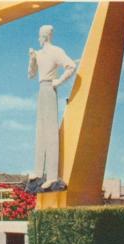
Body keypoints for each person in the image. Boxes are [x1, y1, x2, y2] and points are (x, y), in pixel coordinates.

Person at [28, 25, 76, 190]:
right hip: (41, 89)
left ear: (45, 36)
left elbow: (71, 66)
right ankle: (38, 171)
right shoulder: (39, 54)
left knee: (50, 132)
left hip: (50, 88)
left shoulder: (56, 51)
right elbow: (31, 74)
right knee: (40, 131)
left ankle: (52, 176)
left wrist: (59, 81)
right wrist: (32, 59)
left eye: (40, 36)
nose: (38, 39)